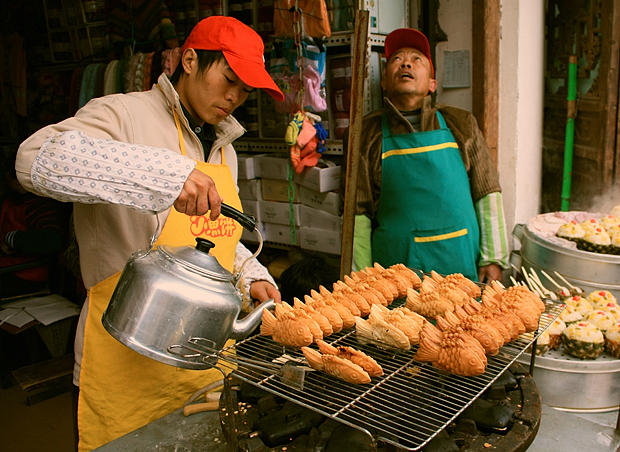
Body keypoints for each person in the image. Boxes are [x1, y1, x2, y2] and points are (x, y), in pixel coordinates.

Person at [15, 16, 283, 452]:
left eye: (246, 90)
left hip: (202, 359)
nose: (235, 97)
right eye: (229, 79)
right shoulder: (124, 114)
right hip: (124, 358)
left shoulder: (224, 146)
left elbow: (216, 236)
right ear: (190, 61)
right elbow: (34, 160)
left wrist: (251, 276)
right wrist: (164, 176)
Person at [342, 28, 509, 284]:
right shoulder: (363, 134)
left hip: (461, 264)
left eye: (417, 59)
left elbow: (487, 192)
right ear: (384, 81)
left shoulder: (461, 123)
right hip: (397, 273)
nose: (406, 62)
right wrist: (362, 280)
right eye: (396, 58)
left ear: (432, 84)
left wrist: (493, 258)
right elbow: (357, 215)